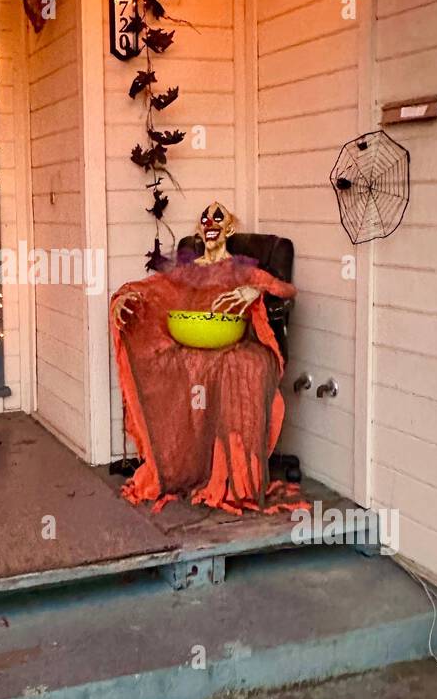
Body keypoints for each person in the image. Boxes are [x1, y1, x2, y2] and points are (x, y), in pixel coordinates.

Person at [111, 201, 297, 513]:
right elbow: (151, 290)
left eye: (218, 217)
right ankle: (181, 468)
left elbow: (287, 289)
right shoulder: (188, 272)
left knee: (240, 366)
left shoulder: (245, 270)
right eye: (205, 218)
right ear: (200, 230)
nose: (210, 222)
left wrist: (256, 292)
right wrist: (123, 299)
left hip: (241, 343)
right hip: (197, 344)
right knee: (170, 361)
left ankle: (235, 478)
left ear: (229, 228)